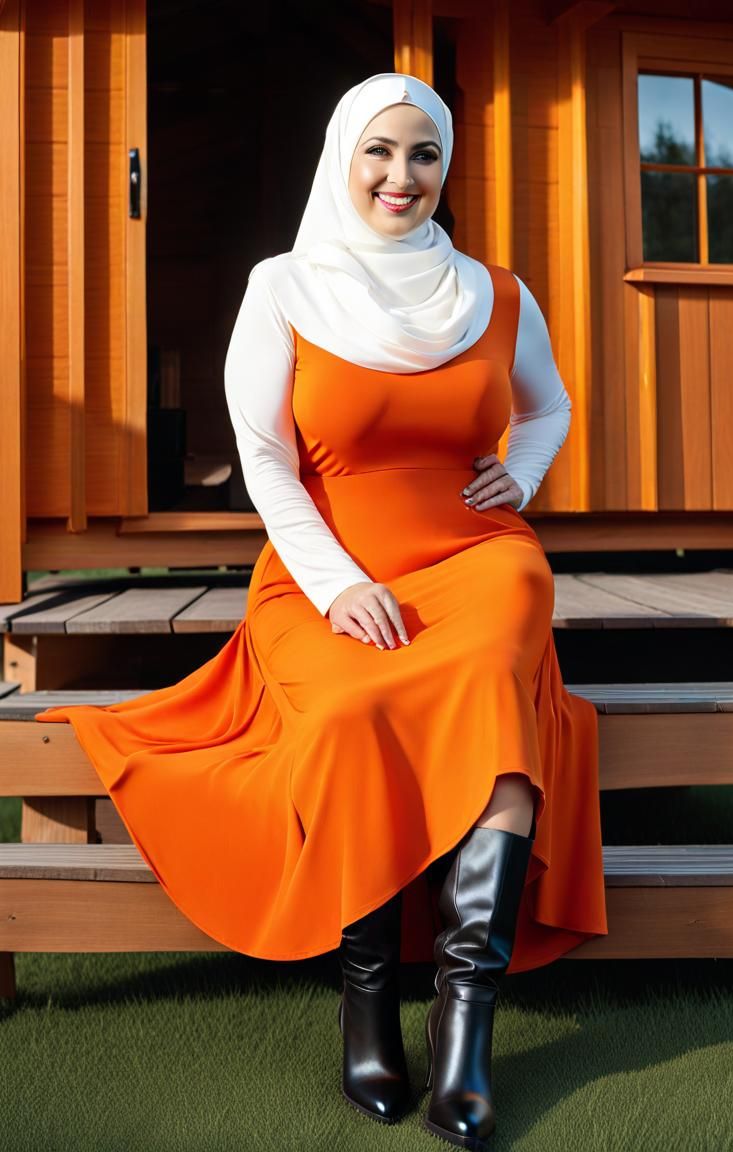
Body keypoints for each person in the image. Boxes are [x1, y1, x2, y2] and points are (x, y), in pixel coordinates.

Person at [34, 72, 607, 1150]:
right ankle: (365, 1005)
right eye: (379, 153)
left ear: (444, 166)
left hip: (477, 559)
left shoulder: (496, 292)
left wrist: (519, 474)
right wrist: (340, 583)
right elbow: (263, 458)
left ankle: (465, 1034)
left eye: (423, 155)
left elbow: (549, 403)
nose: (402, 177)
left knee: (489, 686)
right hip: (323, 569)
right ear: (343, 160)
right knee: (347, 717)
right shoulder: (284, 285)